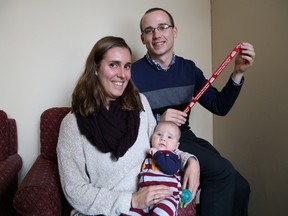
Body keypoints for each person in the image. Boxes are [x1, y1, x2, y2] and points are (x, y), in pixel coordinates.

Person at [131, 7, 256, 216]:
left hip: (185, 136)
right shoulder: (132, 73)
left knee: (241, 186)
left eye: (163, 27)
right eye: (149, 30)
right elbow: (125, 123)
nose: (157, 34)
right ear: (143, 38)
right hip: (159, 141)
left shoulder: (189, 69)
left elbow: (219, 106)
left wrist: (237, 73)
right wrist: (157, 119)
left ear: (174, 31)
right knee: (222, 173)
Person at [56, 36, 196, 216]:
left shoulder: (140, 104)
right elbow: (75, 191)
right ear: (96, 69)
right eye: (113, 65)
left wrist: (190, 160)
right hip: (104, 211)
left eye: (127, 66)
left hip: (150, 206)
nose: (122, 74)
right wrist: (131, 200)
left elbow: (159, 143)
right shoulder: (72, 125)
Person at [129, 121, 182, 216]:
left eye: (169, 137)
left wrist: (157, 154)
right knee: (131, 212)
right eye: (159, 134)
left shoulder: (174, 157)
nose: (163, 139)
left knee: (163, 211)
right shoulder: (147, 155)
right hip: (144, 196)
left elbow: (170, 169)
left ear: (176, 146)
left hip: (166, 197)